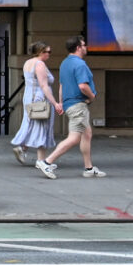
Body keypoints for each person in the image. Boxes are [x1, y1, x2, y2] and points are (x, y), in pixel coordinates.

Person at [40, 35, 104, 178]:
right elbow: (83, 86)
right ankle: (47, 162)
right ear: (78, 48)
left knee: (86, 134)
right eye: (84, 45)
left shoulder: (64, 63)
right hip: (78, 105)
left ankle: (89, 168)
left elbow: (62, 85)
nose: (86, 47)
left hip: (70, 104)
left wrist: (61, 103)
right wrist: (92, 96)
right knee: (74, 138)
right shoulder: (80, 64)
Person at [11, 42, 57, 166]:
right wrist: (55, 103)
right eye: (46, 51)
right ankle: (41, 160)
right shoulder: (40, 64)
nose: (48, 54)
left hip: (30, 97)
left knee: (31, 125)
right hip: (40, 99)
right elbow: (44, 85)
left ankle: (23, 148)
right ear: (39, 52)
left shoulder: (28, 63)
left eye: (49, 52)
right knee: (43, 127)